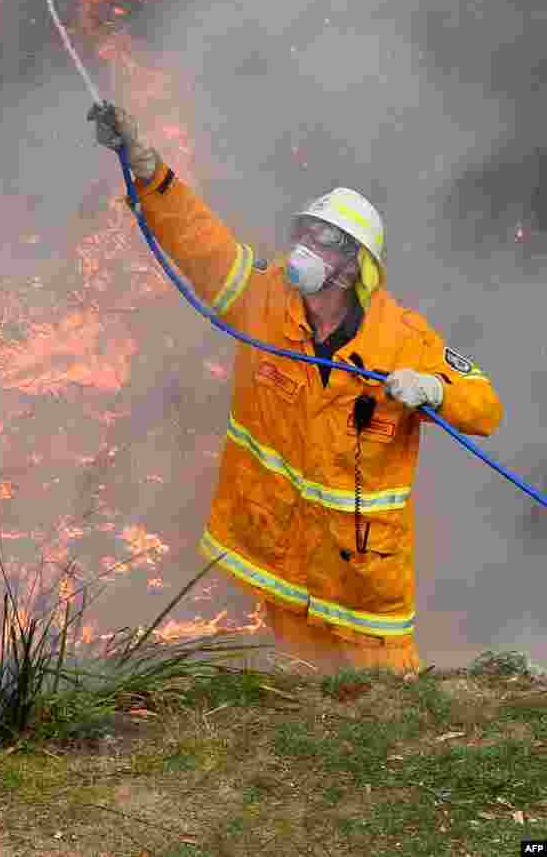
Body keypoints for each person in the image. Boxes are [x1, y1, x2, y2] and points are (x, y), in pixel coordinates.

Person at [88, 103, 504, 674]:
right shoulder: (260, 301)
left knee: (388, 711)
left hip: (363, 585)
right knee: (303, 714)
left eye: (327, 241)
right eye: (305, 231)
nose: (307, 246)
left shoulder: (405, 340)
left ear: (357, 265)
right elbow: (199, 241)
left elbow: (485, 408)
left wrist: (433, 388)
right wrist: (144, 165)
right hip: (282, 568)